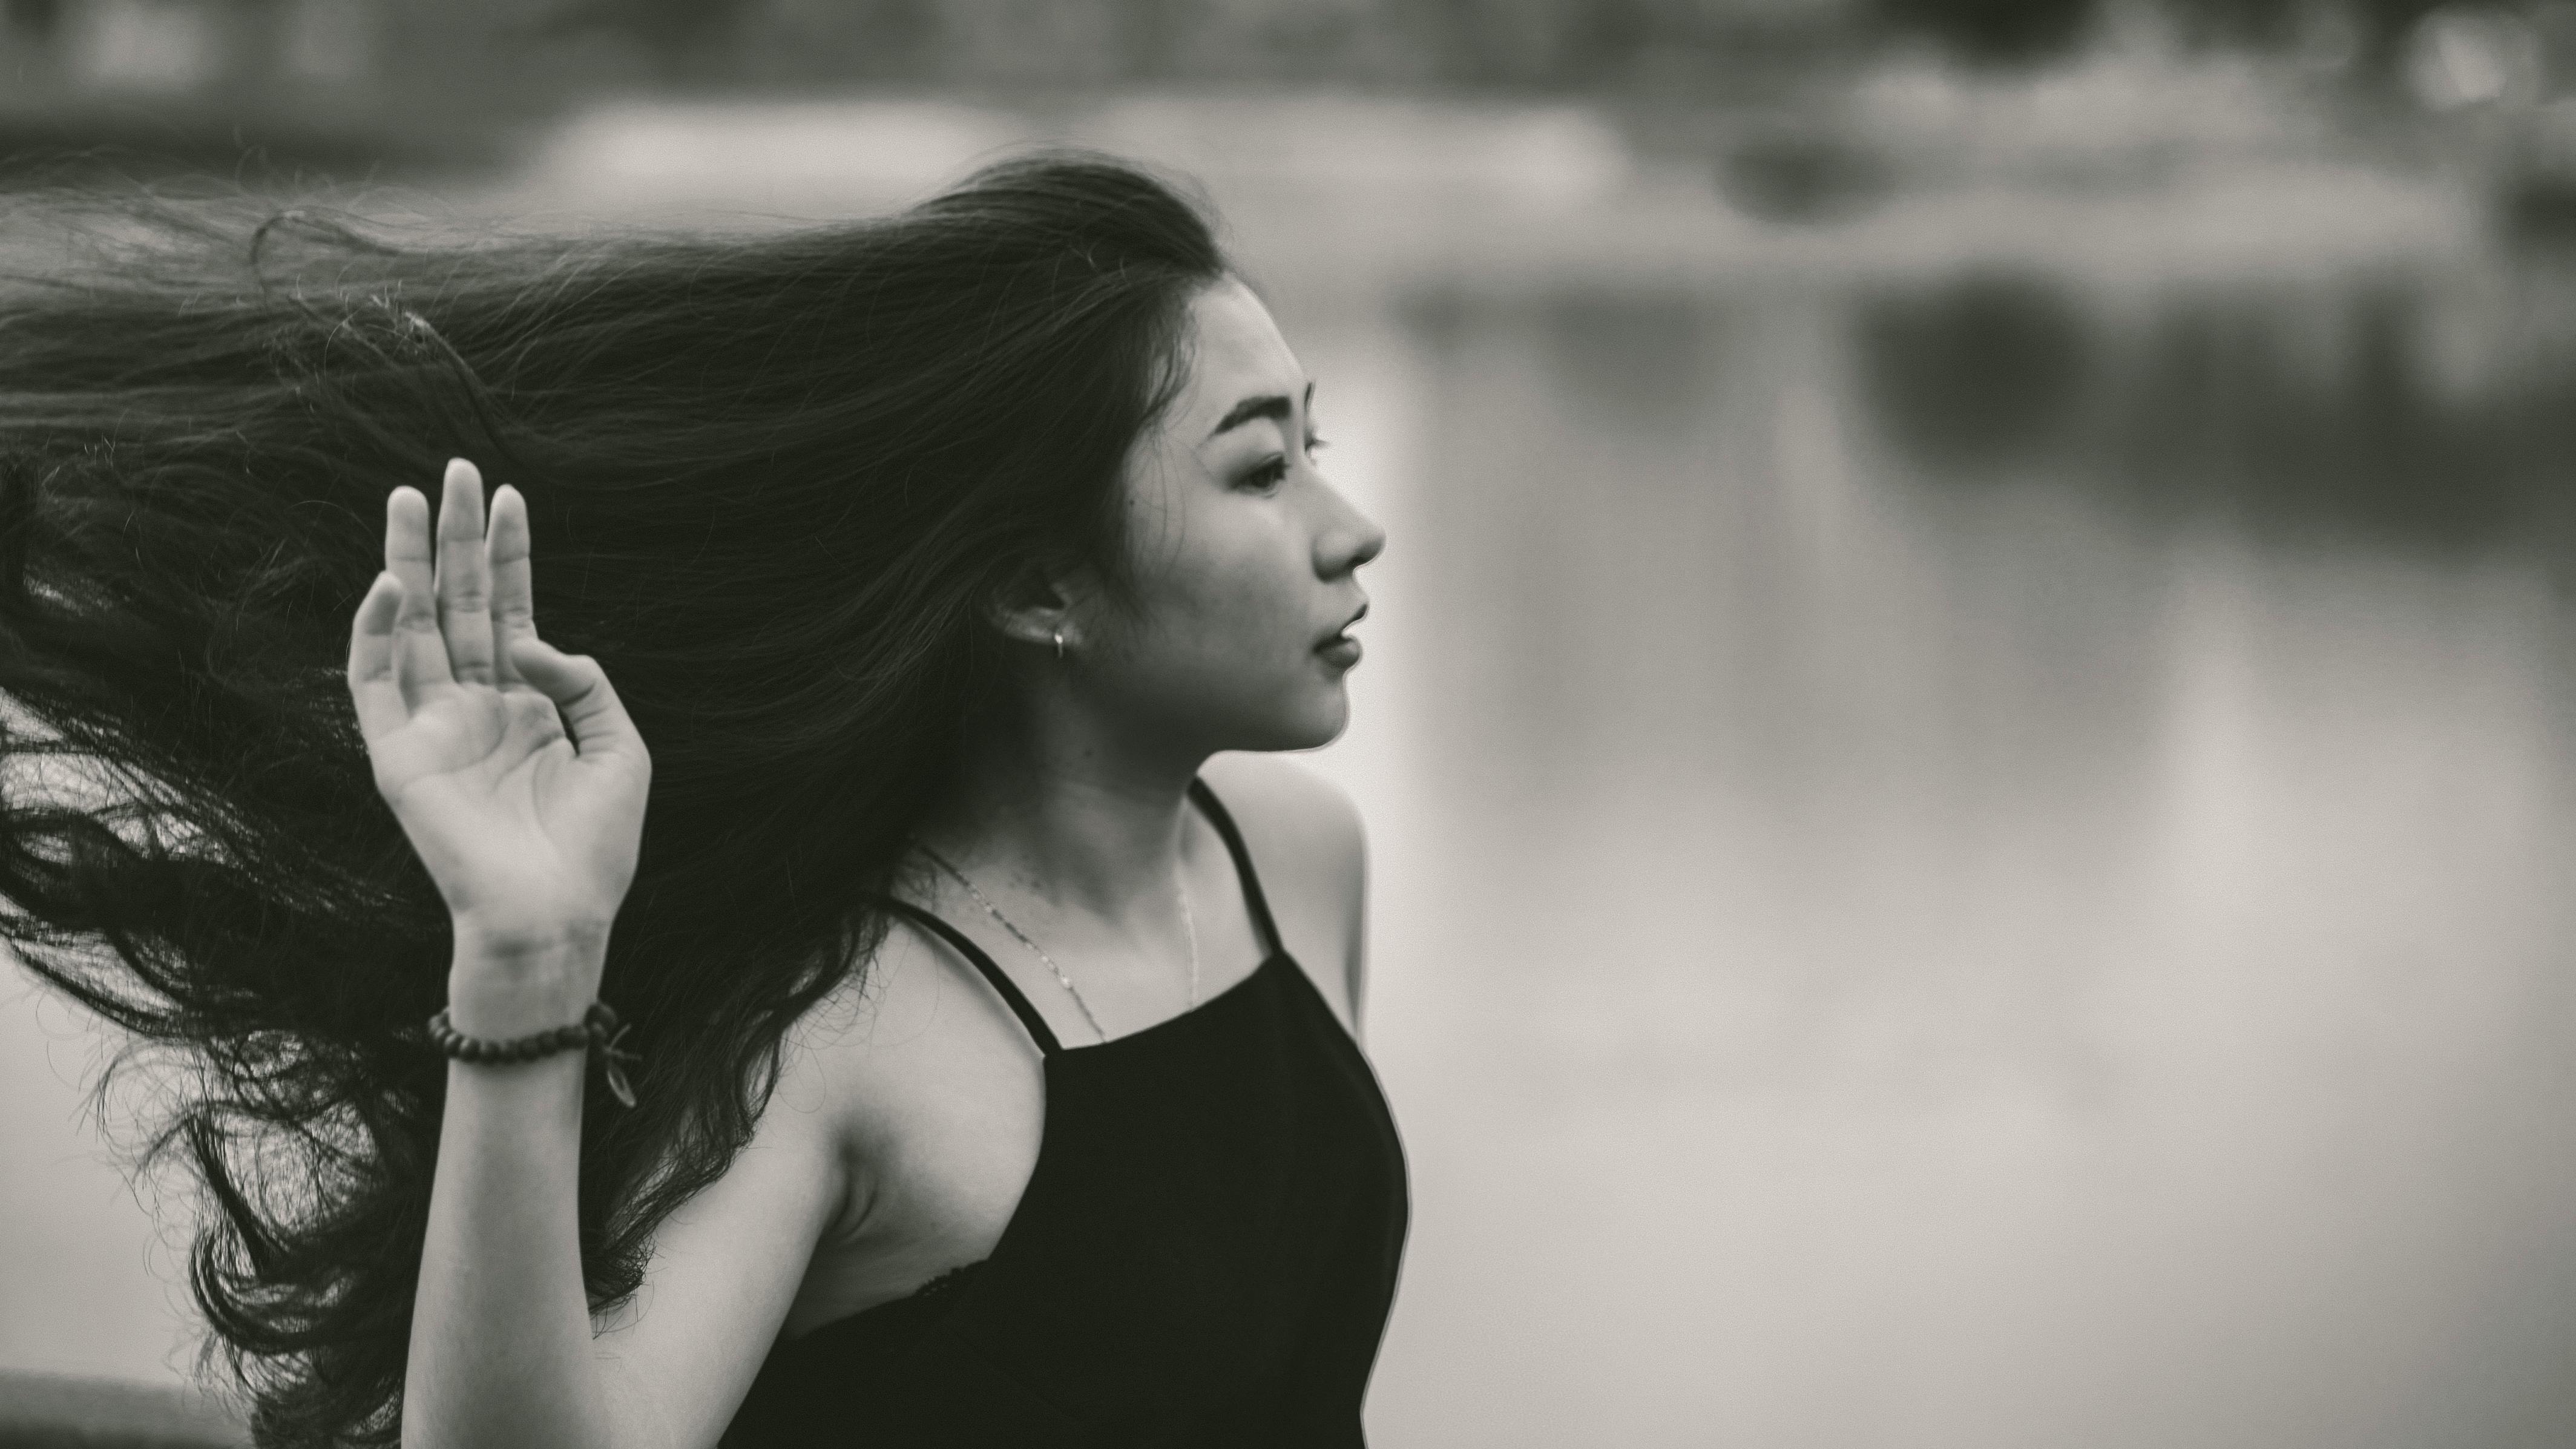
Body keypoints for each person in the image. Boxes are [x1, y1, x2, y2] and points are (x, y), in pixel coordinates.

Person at [0, 151, 1402, 1446]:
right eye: (1261, 469)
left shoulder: (1297, 865)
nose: (1351, 530)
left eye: (1316, 450)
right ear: (1040, 587)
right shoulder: (849, 1036)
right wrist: (524, 957)